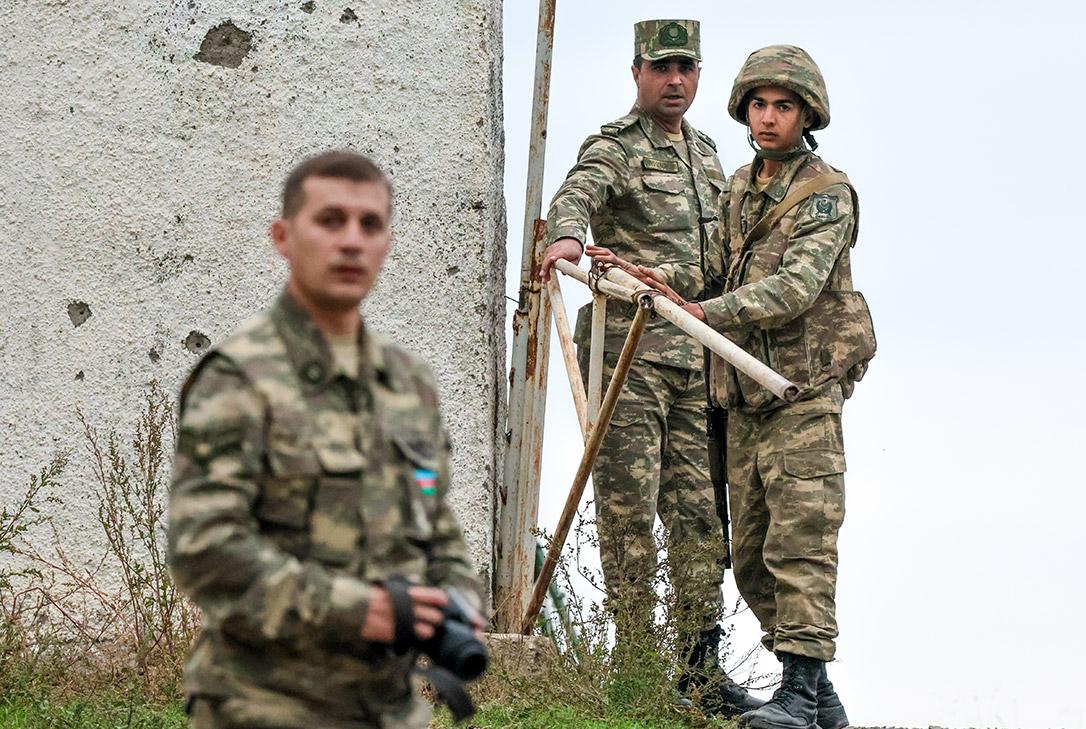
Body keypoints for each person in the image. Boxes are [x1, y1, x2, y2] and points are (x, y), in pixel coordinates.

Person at [592, 45, 875, 729]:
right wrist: (659, 281)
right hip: (744, 397)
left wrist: (703, 313)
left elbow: (793, 288)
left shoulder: (827, 192)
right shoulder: (742, 185)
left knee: (799, 545)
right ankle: (822, 701)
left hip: (800, 391)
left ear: (808, 113)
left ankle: (800, 692)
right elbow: (714, 272)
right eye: (758, 104)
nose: (768, 117)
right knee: (746, 554)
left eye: (783, 106)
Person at [167, 150, 486, 729]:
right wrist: (360, 611)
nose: (351, 241)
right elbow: (204, 547)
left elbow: (438, 525)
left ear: (388, 243)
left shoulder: (408, 384)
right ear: (284, 237)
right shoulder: (241, 377)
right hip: (264, 706)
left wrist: (458, 600)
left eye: (370, 225)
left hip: (391, 709)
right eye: (330, 220)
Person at [539, 18, 758, 717]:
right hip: (630, 352)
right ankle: (634, 668)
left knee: (700, 519)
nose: (674, 81)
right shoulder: (617, 146)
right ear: (637, 72)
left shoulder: (709, 153)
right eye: (661, 67)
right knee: (631, 519)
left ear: (698, 75)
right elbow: (578, 193)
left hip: (695, 360)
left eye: (686, 68)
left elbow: (724, 250)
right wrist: (567, 234)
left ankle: (700, 669)